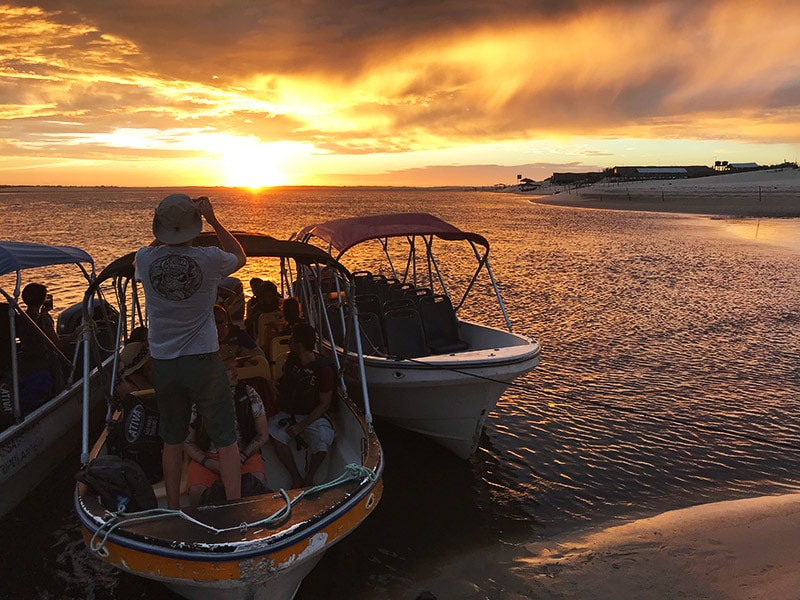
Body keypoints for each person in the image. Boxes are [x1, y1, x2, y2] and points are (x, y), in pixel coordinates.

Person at [135, 194, 246, 509]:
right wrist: (213, 219)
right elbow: (239, 256)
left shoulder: (145, 258)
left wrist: (168, 230)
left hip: (165, 364)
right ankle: (234, 507)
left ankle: (172, 508)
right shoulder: (210, 258)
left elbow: (147, 252)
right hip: (203, 361)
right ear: (195, 226)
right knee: (225, 439)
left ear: (161, 228)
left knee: (172, 440)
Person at [183, 351, 269, 507]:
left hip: (244, 453)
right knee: (196, 491)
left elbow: (263, 435)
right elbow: (187, 441)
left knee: (257, 481)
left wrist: (243, 456)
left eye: (235, 367)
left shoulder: (249, 393)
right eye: (229, 369)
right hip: (208, 457)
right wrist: (209, 463)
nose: (236, 372)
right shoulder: (198, 398)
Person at [269, 322, 335, 488]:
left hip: (312, 415)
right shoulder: (292, 361)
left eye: (291, 341)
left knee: (323, 441)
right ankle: (296, 477)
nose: (289, 344)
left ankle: (309, 477)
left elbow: (324, 404)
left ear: (298, 345)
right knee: (274, 433)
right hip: (289, 412)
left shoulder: (324, 370)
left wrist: (301, 426)